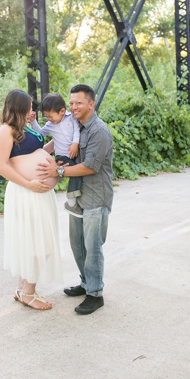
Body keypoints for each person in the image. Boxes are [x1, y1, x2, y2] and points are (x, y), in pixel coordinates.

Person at [37, 84, 114, 315]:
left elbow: (90, 166)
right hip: (77, 194)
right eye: (71, 103)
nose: (73, 107)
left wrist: (57, 172)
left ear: (91, 104)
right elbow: (55, 145)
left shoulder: (99, 131)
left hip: (95, 196)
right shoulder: (73, 125)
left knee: (93, 246)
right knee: (77, 244)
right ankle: (86, 282)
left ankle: (95, 293)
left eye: (78, 103)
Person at [0, 89, 63, 311]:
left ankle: (23, 290)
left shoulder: (24, 129)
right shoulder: (5, 131)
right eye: (30, 107)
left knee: (35, 240)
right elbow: (1, 165)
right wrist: (29, 184)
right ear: (19, 108)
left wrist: (59, 142)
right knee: (35, 242)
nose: (32, 111)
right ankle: (29, 294)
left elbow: (37, 151)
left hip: (38, 193)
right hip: (25, 193)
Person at [30, 92, 83, 215]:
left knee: (81, 170)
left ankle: (77, 196)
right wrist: (33, 122)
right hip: (62, 156)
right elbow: (41, 133)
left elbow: (77, 130)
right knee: (75, 173)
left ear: (62, 111)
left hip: (74, 153)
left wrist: (75, 143)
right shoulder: (50, 125)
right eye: (47, 116)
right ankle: (71, 201)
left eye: (50, 116)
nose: (49, 119)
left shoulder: (72, 118)